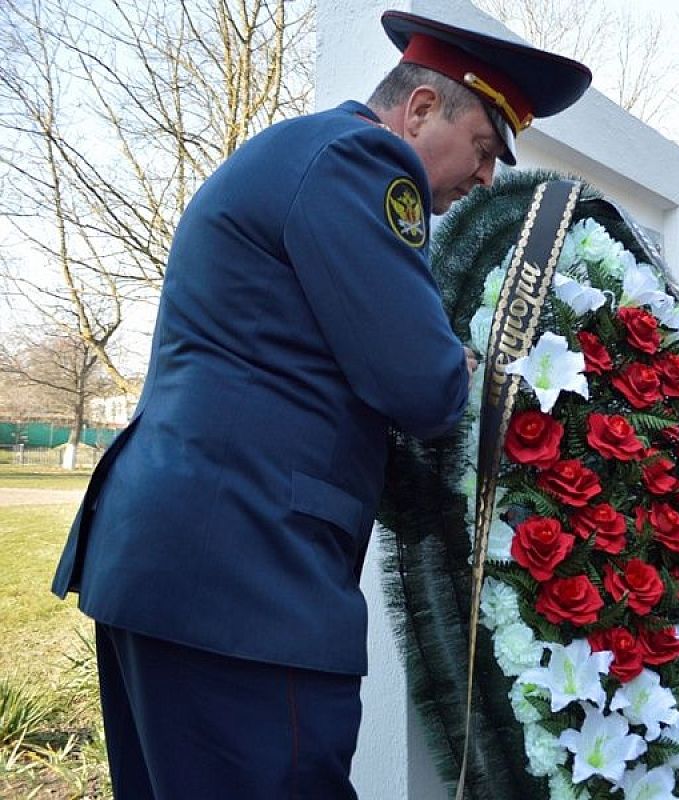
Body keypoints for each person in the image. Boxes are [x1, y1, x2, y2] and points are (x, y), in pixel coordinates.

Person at [50, 11, 590, 798]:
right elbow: (423, 385)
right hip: (244, 586)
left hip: (181, 569)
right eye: (482, 150)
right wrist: (467, 362)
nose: (485, 179)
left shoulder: (300, 152)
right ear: (421, 109)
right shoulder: (362, 162)